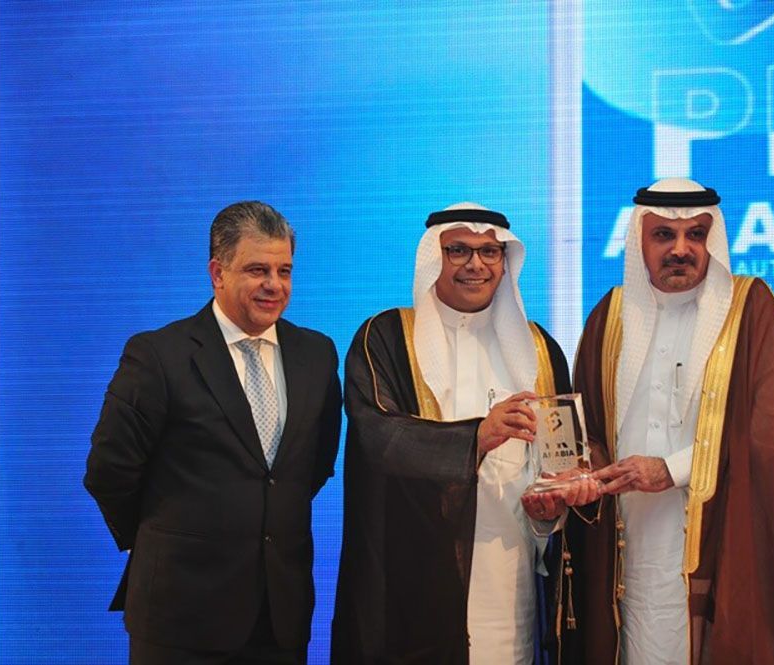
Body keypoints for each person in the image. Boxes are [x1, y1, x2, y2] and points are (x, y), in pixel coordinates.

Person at [559, 178, 774, 664]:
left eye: (696, 235)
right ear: (640, 241)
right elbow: (591, 432)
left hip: (725, 544)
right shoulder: (610, 317)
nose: (681, 249)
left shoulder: (750, 309)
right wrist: (579, 473)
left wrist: (674, 469)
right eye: (664, 235)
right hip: (630, 552)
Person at [330, 203, 594, 664]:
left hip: (510, 581)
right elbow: (380, 439)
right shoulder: (386, 337)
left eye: (490, 252)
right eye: (458, 250)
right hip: (413, 592)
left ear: (505, 261)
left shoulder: (540, 349)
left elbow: (557, 465)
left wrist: (547, 515)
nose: (476, 264)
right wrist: (478, 437)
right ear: (434, 257)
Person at [84, 201, 342, 664]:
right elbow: (109, 471)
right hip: (180, 614)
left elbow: (312, 467)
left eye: (284, 271)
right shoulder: (159, 356)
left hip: (280, 618)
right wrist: (165, 538)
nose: (274, 285)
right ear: (217, 273)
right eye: (258, 270)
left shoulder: (317, 354)